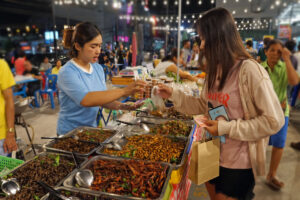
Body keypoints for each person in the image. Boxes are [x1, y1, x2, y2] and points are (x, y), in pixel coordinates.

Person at [156, 8, 284, 200]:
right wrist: (173, 93)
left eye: (204, 38)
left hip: (240, 162)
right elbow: (202, 105)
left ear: (220, 37)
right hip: (213, 152)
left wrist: (225, 127)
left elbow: (274, 121)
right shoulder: (214, 70)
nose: (201, 46)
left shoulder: (249, 71)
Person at [58, 22, 145, 135]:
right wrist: (124, 91)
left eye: (99, 45)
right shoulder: (67, 71)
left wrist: (125, 106)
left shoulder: (98, 69)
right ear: (78, 46)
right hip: (69, 133)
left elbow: (103, 100)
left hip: (90, 130)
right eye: (93, 46)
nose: (98, 51)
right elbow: (86, 99)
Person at [261, 39, 299, 190]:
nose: (275, 54)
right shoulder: (259, 68)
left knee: (279, 144)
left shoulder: (284, 67)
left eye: (279, 51)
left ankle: (271, 174)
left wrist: (288, 59)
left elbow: (294, 81)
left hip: (281, 113)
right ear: (266, 51)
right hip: (262, 114)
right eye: (272, 50)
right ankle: (251, 172)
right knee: (259, 143)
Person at [0, 59, 17, 156]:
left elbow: (9, 99)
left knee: (4, 170)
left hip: (1, 136)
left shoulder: (1, 65)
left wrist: (10, 132)